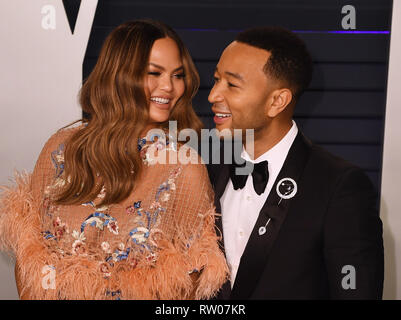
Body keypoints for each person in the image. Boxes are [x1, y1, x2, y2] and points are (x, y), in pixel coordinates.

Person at [0, 20, 228, 300]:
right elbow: (29, 255)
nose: (169, 86)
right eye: (154, 72)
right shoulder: (60, 150)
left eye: (177, 75)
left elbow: (189, 285)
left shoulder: (183, 166)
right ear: (119, 75)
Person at [207, 26, 384, 299]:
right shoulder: (205, 171)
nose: (213, 95)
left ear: (277, 101)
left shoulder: (339, 186)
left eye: (231, 84)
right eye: (216, 79)